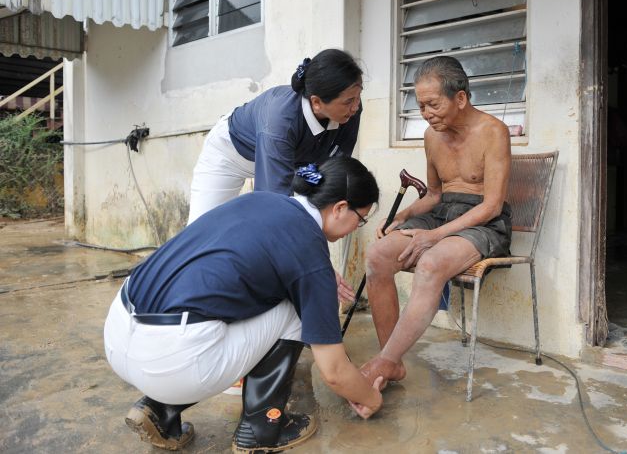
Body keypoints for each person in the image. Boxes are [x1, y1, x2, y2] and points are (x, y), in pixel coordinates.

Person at [104, 157, 384, 452]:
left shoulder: (261, 200)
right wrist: (371, 398)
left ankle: (159, 410)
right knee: (295, 309)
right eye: (361, 219)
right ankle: (262, 428)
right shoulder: (309, 249)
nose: (357, 227)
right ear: (340, 208)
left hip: (119, 330)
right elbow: (334, 371)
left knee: (228, 301)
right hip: (173, 358)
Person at [359, 56, 512, 388]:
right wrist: (401, 216)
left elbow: (492, 204)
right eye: (421, 105)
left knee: (430, 264)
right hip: (442, 213)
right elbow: (433, 195)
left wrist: (435, 236)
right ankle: (392, 359)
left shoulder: (493, 131)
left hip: (483, 223)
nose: (426, 113)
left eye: (433, 104)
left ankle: (383, 365)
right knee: (378, 256)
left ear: (460, 98)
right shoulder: (431, 135)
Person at [187, 48, 364, 224]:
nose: (355, 106)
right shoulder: (280, 121)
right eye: (349, 101)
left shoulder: (350, 110)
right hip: (230, 155)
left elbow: (333, 169)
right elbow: (272, 202)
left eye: (358, 97)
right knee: (201, 230)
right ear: (316, 102)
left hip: (293, 162)